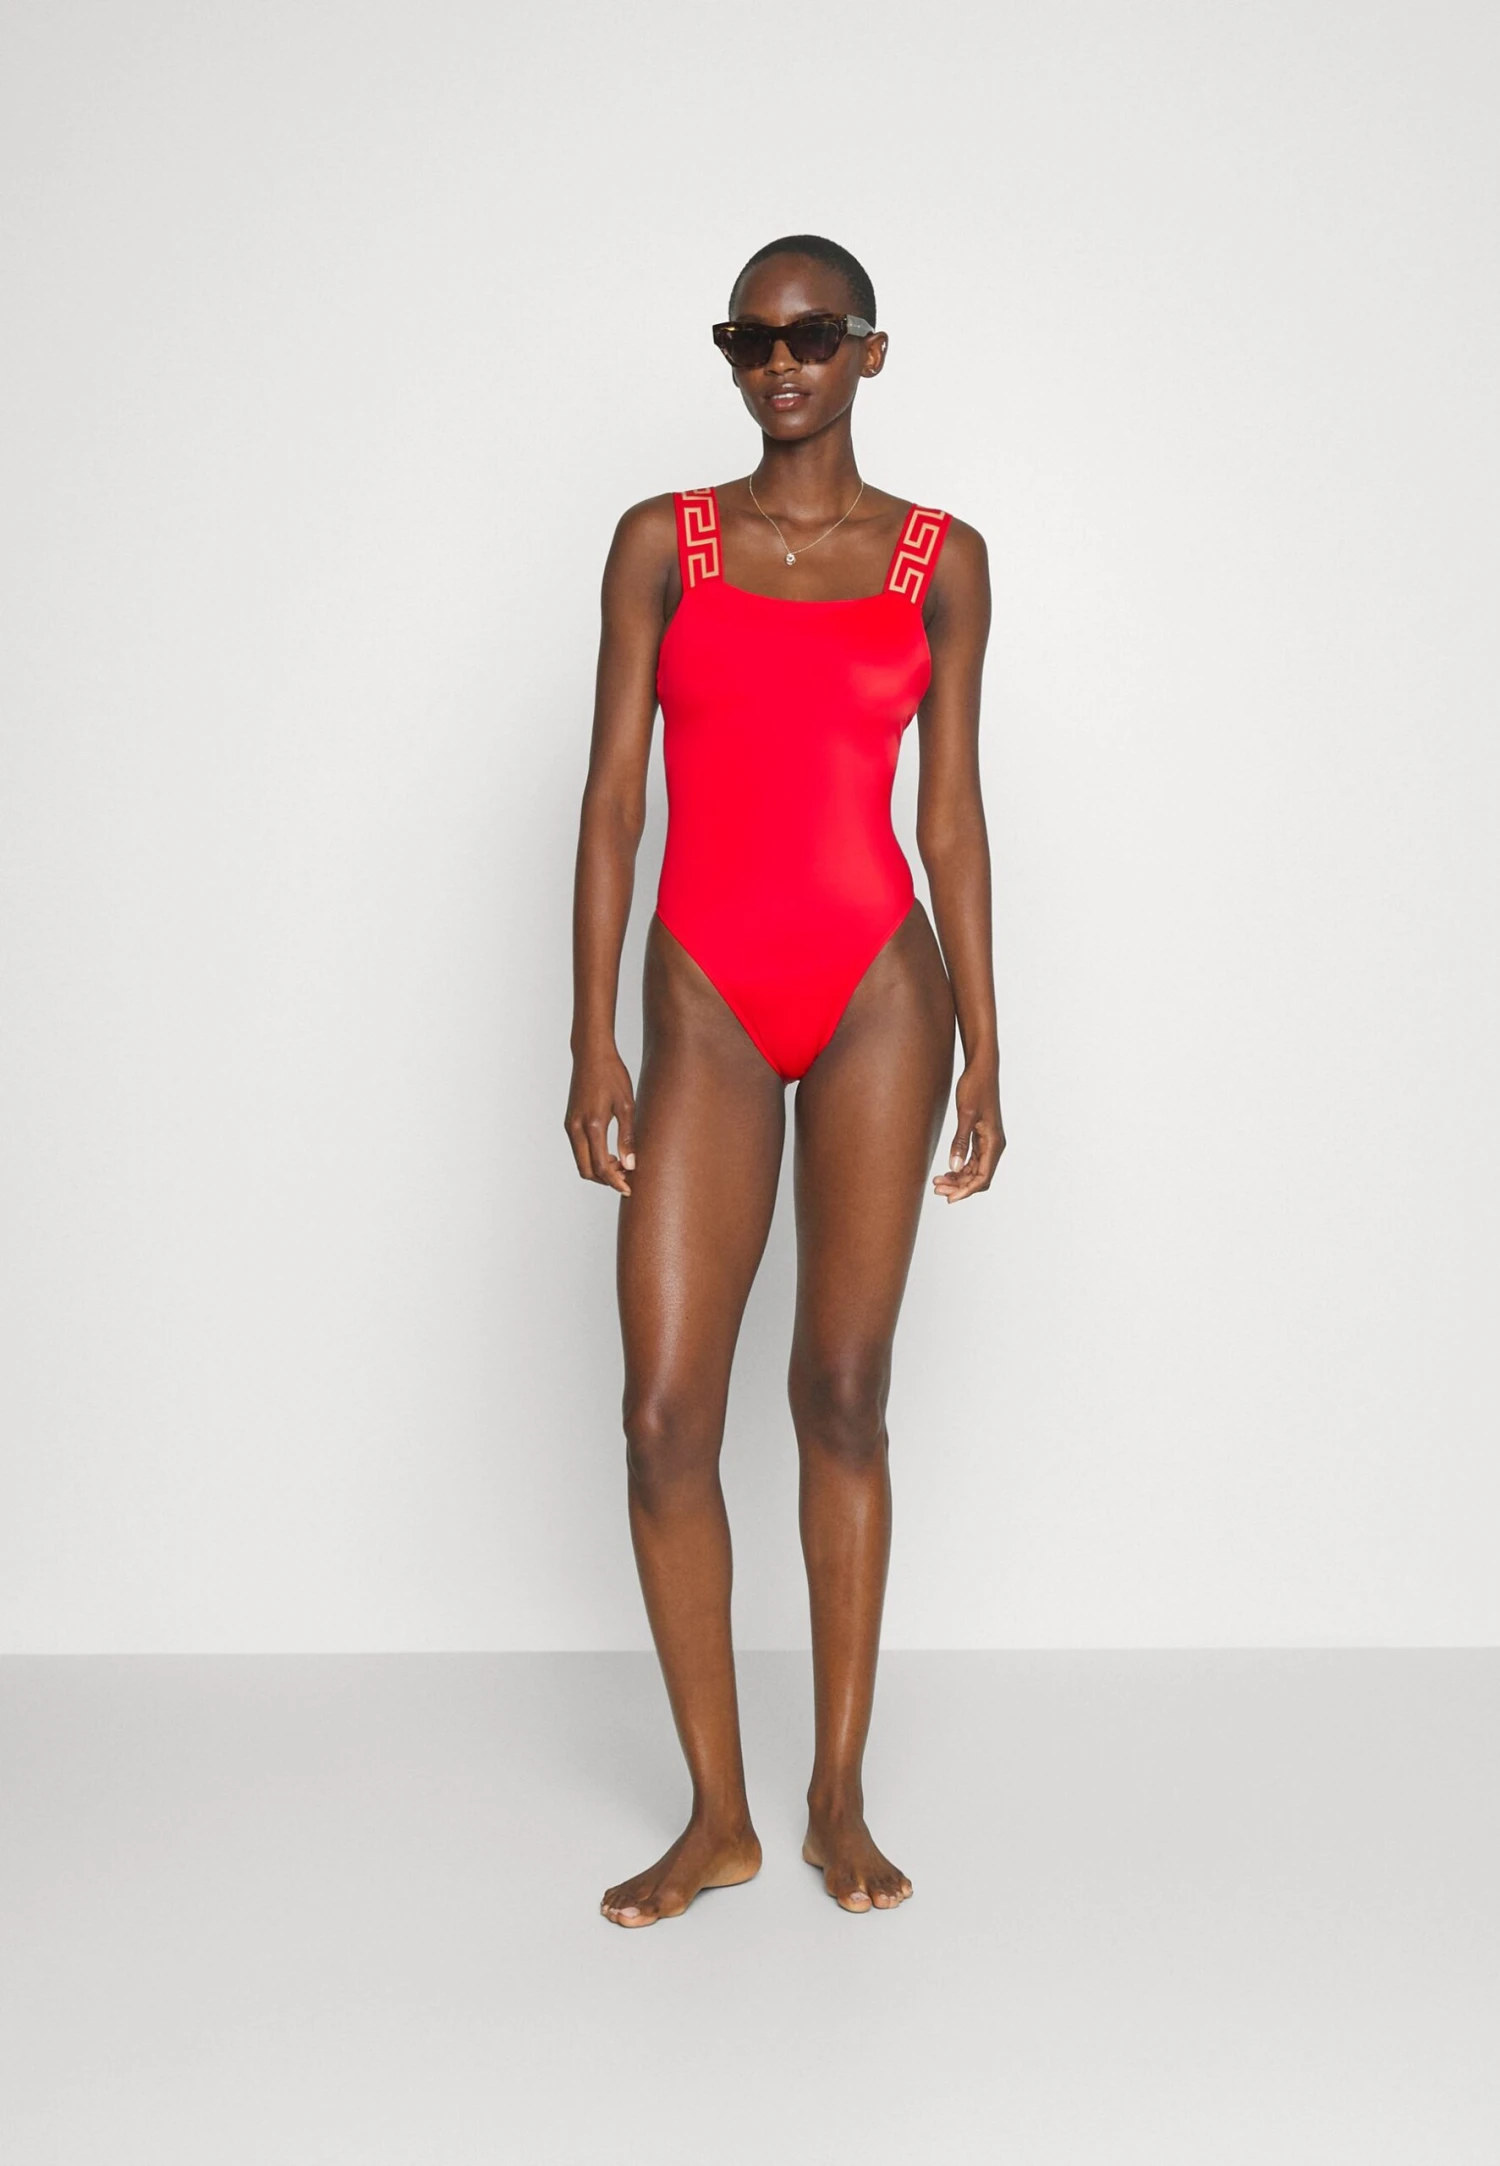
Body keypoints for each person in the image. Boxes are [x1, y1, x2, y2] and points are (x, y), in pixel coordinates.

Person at [566, 234, 1003, 1926]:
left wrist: (990, 1036)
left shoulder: (939, 559)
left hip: (882, 989)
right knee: (665, 1414)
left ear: (870, 351)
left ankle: (837, 1797)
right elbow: (615, 799)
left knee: (841, 1391)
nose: (779, 364)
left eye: (813, 335)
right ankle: (717, 1816)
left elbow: (949, 814)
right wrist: (590, 1031)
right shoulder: (663, 545)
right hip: (703, 999)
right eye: (749, 338)